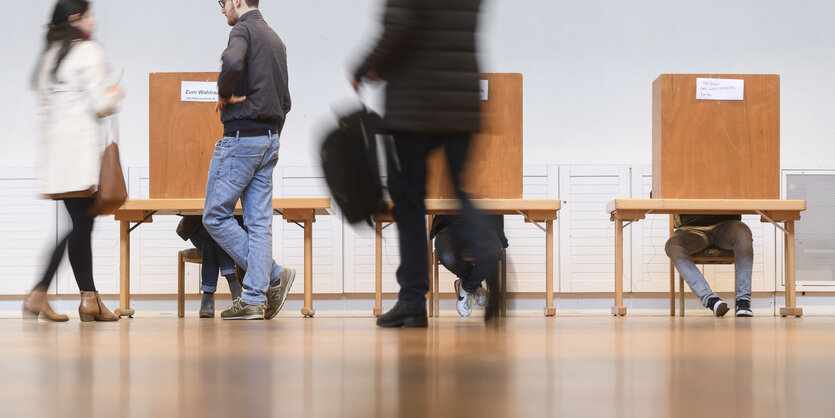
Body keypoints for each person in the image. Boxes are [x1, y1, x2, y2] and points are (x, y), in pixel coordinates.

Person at [351, 0, 499, 327]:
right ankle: (487, 251)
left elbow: (398, 28)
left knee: (409, 202)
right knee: (459, 190)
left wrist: (364, 67)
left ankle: (412, 301)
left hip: (415, 105)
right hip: (462, 102)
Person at [23, 0, 124, 322]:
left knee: (81, 225)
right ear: (76, 19)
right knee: (81, 226)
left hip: (58, 158)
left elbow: (44, 109)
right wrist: (115, 93)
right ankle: (39, 292)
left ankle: (89, 300)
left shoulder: (50, 57)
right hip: (81, 156)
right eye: (91, 16)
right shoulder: (88, 51)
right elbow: (99, 104)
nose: (94, 22)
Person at [203, 0, 294, 320]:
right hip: (270, 140)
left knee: (214, 216)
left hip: (242, 139)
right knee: (258, 224)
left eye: (222, 2)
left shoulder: (242, 29)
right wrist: (271, 136)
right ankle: (254, 299)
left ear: (237, 1)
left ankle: (271, 274)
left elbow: (231, 62)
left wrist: (224, 93)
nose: (221, 9)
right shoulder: (275, 39)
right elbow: (286, 102)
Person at [665, 214, 754, 317]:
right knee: (672, 245)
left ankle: (743, 301)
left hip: (727, 227)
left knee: (742, 231)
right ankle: (711, 300)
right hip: (691, 230)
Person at [431, 215, 508, 317]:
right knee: (448, 256)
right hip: (448, 225)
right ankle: (474, 284)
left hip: (486, 227)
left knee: (493, 254)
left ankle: (467, 286)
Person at [176, 216, 244, 318]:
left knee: (211, 240)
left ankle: (207, 297)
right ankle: (233, 283)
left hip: (227, 229)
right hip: (199, 228)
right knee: (212, 233)